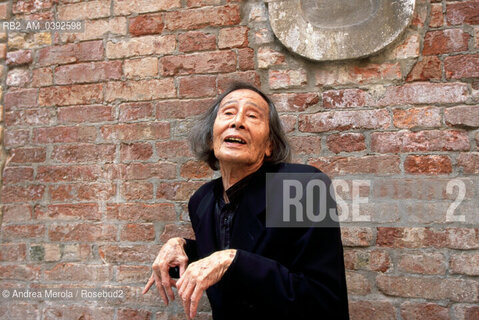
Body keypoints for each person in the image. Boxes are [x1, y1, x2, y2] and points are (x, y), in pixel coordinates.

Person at [143, 83, 349, 320]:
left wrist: (232, 261)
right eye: (228, 113)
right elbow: (228, 244)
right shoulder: (202, 201)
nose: (238, 121)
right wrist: (181, 245)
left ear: (269, 145)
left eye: (252, 116)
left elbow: (323, 300)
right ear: (212, 138)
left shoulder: (300, 186)